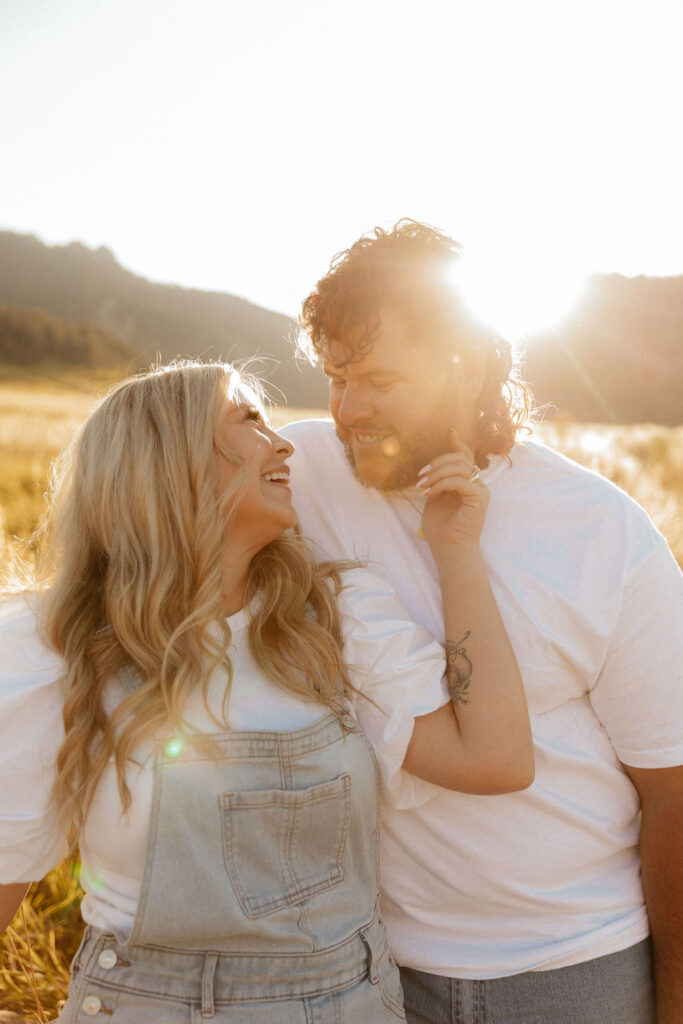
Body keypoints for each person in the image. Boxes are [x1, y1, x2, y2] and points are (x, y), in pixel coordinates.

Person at [0, 360, 533, 1023]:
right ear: (175, 460)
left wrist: (454, 548)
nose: (282, 444)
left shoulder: (338, 615)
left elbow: (496, 759)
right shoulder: (54, 647)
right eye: (249, 420)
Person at [281, 220, 683, 1024]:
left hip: (578, 975)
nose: (347, 408)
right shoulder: (300, 474)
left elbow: (670, 791)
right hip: (370, 972)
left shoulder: (600, 530)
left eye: (380, 379)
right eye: (334, 376)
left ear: (462, 367)